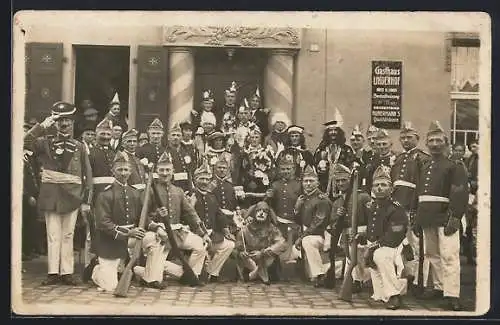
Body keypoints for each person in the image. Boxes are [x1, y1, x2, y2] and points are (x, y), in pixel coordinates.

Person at [24, 102, 93, 285]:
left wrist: (86, 199)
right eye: (60, 120)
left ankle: (67, 272)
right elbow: (24, 141)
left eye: (67, 121)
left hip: (73, 195)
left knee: (68, 234)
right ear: (55, 122)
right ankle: (53, 272)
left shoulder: (79, 146)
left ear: (72, 123)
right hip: (52, 195)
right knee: (53, 234)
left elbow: (87, 174)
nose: (64, 125)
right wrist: (43, 125)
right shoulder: (45, 143)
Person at [414, 120, 469, 311]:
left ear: (445, 143)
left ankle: (452, 294)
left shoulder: (454, 165)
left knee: (449, 256)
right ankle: (439, 287)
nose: (435, 144)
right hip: (427, 217)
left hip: (446, 216)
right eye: (431, 141)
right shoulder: (425, 164)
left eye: (439, 140)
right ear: (427, 144)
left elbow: (460, 192)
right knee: (432, 254)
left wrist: (454, 217)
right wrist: (416, 217)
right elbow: (418, 193)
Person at [137, 152, 211, 287]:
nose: (165, 173)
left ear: (173, 172)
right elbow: (142, 215)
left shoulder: (178, 191)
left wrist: (203, 233)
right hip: (157, 232)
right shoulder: (150, 191)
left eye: (167, 170)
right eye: (161, 170)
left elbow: (190, 213)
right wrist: (156, 227)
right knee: (156, 249)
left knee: (200, 245)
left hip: (176, 232)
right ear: (156, 172)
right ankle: (150, 278)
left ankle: (191, 275)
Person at [84, 151, 146, 292]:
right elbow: (103, 223)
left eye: (126, 170)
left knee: (154, 240)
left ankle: (148, 273)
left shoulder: (135, 193)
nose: (123, 173)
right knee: (110, 287)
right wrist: (129, 232)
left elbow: (142, 217)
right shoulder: (105, 194)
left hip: (129, 239)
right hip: (109, 240)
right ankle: (96, 270)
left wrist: (154, 225)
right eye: (119, 170)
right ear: (113, 171)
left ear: (130, 172)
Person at [363, 165, 409, 310]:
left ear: (391, 189)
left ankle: (395, 295)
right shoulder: (374, 206)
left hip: (395, 247)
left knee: (381, 256)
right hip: (379, 243)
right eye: (376, 185)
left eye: (383, 185)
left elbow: (394, 235)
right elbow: (374, 229)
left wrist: (373, 246)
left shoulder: (396, 208)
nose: (379, 188)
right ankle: (380, 293)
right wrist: (363, 236)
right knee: (361, 253)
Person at [329, 163, 371, 291]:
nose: (341, 183)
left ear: (350, 180)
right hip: (347, 235)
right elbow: (333, 224)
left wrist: (365, 234)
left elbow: (372, 219)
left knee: (364, 258)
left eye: (344, 180)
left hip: (363, 234)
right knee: (351, 258)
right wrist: (338, 216)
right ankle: (356, 281)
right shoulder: (337, 202)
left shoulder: (363, 197)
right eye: (338, 181)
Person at [191, 161, 236, 283]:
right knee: (200, 246)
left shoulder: (211, 196)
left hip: (211, 234)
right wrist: (191, 204)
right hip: (196, 234)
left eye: (207, 179)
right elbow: (189, 216)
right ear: (195, 180)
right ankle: (196, 275)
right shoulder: (191, 195)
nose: (205, 182)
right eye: (202, 179)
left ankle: (212, 272)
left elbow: (219, 215)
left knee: (229, 245)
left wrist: (226, 230)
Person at [294, 165, 332, 287]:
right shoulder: (304, 198)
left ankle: (319, 274)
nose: (308, 184)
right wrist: (297, 207)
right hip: (308, 233)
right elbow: (299, 220)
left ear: (317, 183)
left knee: (307, 241)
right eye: (306, 181)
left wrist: (301, 237)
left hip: (321, 235)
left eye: (311, 181)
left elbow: (317, 223)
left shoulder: (322, 200)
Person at [265, 154, 302, 277]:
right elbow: (267, 205)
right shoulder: (275, 184)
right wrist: (268, 197)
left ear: (293, 169)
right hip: (279, 222)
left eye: (288, 169)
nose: (285, 171)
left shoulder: (299, 184)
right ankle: (273, 270)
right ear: (279, 170)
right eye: (283, 169)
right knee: (275, 243)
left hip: (295, 222)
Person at [235, 201, 287, 284]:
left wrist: (263, 252)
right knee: (242, 258)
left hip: (266, 259)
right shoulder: (245, 229)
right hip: (250, 260)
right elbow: (238, 245)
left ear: (268, 215)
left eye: (265, 211)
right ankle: (257, 273)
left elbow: (282, 244)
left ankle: (251, 276)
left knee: (270, 259)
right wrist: (241, 252)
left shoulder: (272, 229)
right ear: (254, 213)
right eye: (259, 210)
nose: (261, 213)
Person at [313, 120, 356, 193]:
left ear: (339, 132)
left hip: (341, 186)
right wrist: (320, 168)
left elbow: (350, 167)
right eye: (330, 131)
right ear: (327, 133)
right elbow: (315, 166)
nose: (333, 133)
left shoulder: (346, 149)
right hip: (324, 186)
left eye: (335, 130)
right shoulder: (320, 149)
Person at [22, 120, 42, 261]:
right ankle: (22, 251)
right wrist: (27, 195)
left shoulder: (30, 157)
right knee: (22, 223)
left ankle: (28, 250)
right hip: (23, 196)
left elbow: (34, 175)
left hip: (33, 193)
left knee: (31, 222)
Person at [164, 123, 198, 192]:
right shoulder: (165, 153)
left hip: (187, 186)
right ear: (168, 137)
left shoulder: (186, 152)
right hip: (172, 186)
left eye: (178, 135)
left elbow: (191, 170)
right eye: (173, 135)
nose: (175, 137)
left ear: (181, 137)